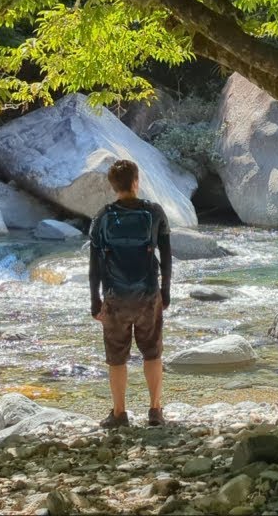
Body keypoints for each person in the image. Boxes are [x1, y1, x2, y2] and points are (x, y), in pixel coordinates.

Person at [89, 159, 172, 428]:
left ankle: (119, 413)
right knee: (152, 353)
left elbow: (94, 265)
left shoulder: (102, 217)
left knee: (116, 357)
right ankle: (155, 410)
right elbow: (167, 256)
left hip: (115, 298)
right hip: (148, 295)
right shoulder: (154, 212)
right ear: (136, 182)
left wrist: (95, 301)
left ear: (114, 186)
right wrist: (165, 291)